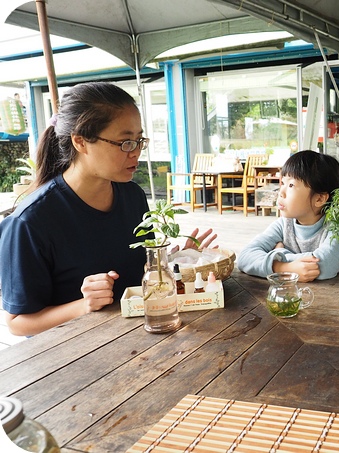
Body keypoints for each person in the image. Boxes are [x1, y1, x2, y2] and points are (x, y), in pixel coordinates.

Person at [0, 82, 215, 337]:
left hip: (136, 339)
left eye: (139, 140)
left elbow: (137, 272)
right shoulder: (30, 222)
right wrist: (84, 304)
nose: (136, 153)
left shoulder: (132, 196)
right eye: (125, 142)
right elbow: (17, 322)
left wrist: (170, 261)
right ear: (80, 141)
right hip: (71, 356)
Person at [237, 150, 339, 282]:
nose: (281, 192)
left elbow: (324, 266)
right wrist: (282, 267)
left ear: (320, 199)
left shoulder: (336, 226)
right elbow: (244, 257)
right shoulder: (284, 224)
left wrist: (278, 253)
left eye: (291, 185)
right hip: (288, 298)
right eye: (283, 183)